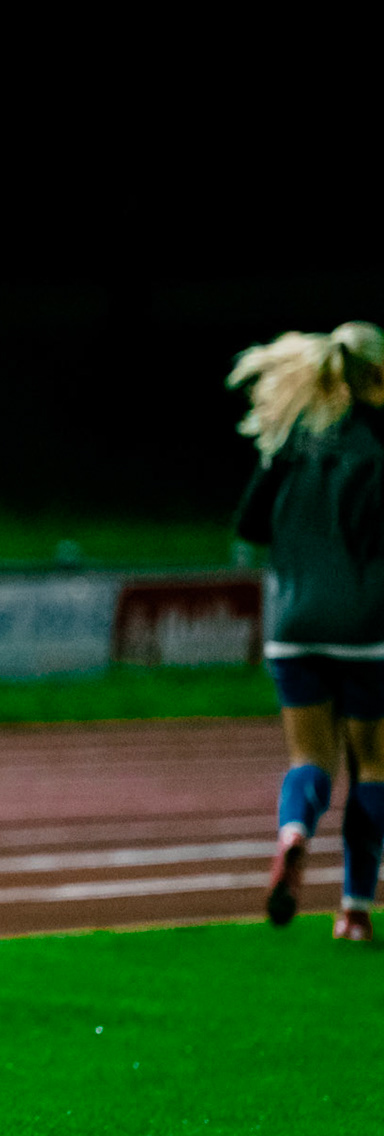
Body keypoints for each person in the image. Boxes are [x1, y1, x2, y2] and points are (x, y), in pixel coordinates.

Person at [232, 321, 384, 942]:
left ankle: (294, 833)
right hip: (364, 625)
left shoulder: (293, 441)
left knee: (308, 758)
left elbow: (250, 522)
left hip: (292, 623)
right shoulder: (377, 446)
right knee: (372, 764)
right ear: (374, 375)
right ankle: (353, 909)